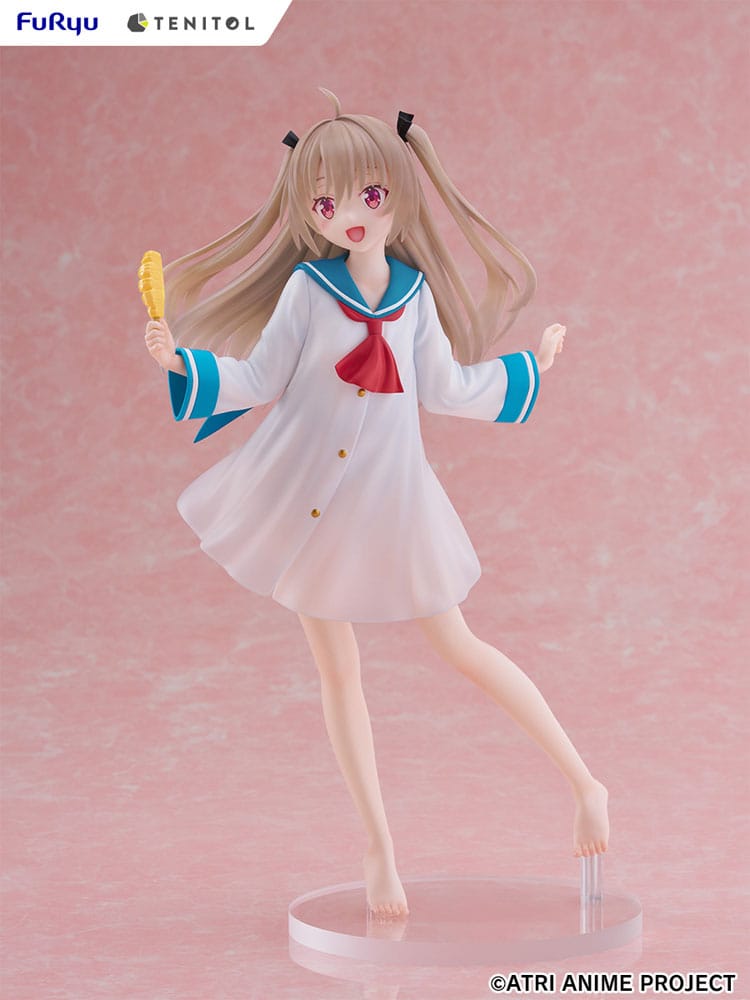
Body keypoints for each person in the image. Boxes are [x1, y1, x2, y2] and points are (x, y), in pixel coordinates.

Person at [145, 90, 609, 920]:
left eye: (367, 195)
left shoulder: (414, 295)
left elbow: (448, 388)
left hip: (392, 498)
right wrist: (182, 361)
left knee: (460, 645)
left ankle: (585, 783)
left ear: (397, 190)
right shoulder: (307, 290)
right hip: (306, 498)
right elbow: (259, 378)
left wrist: (531, 368)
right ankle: (378, 847)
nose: (350, 217)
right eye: (326, 205)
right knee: (338, 671)